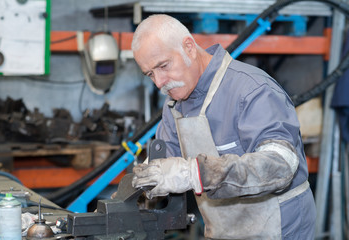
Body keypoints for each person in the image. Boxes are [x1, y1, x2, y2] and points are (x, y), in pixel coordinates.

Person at [131, 14, 316, 239]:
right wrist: (147, 180)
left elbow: (281, 165)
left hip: (278, 229)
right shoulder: (175, 107)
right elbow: (167, 162)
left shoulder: (252, 90)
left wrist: (196, 173)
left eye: (163, 66)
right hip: (223, 231)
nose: (159, 82)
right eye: (150, 74)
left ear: (189, 47)